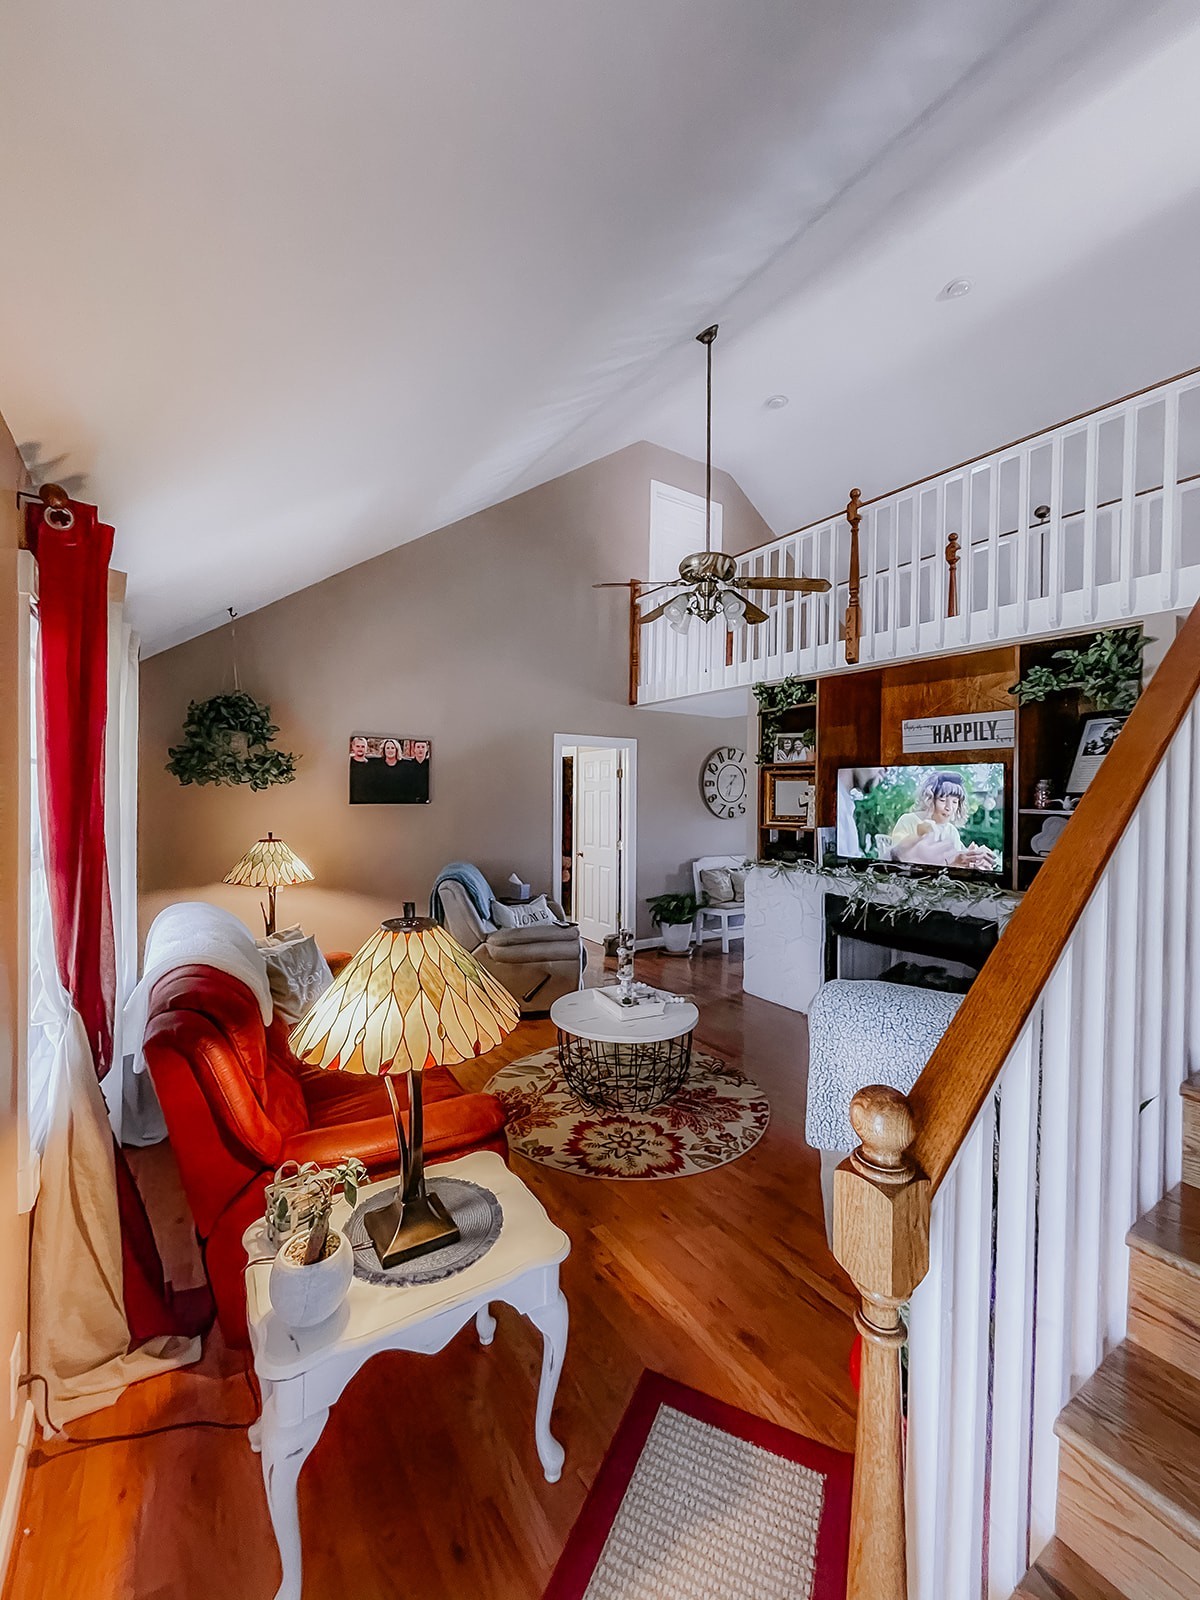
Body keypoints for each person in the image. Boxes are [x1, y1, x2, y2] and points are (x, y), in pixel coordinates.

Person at [888, 771, 997, 871]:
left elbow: (953, 866)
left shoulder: (951, 831)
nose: (949, 807)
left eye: (955, 802)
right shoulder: (908, 820)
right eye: (943, 800)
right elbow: (895, 860)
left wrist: (972, 858)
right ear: (930, 800)